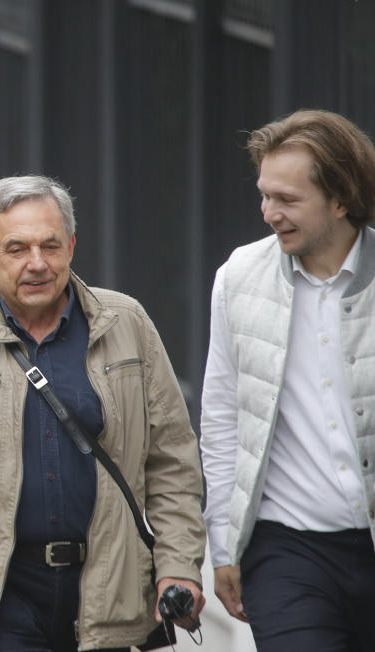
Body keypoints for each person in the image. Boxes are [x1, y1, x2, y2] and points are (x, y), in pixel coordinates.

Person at [0, 175, 206, 651]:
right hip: (1, 596)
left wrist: (178, 567)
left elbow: (173, 462)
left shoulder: (128, 324)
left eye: (50, 246)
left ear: (72, 246)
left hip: (111, 586)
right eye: (16, 249)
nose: (37, 264)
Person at [200, 109, 375, 651]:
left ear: (340, 199)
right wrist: (224, 543)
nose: (269, 213)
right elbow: (223, 415)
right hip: (285, 547)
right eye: (264, 195)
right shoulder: (238, 278)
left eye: (288, 200)